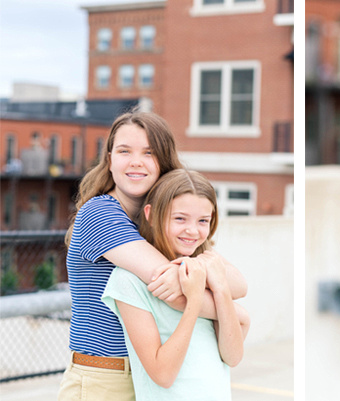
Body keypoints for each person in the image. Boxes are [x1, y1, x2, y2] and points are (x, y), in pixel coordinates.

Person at [59, 111, 247, 401]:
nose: (136, 161)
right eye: (124, 151)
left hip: (151, 380)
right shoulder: (101, 214)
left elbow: (237, 284)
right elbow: (172, 287)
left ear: (164, 162)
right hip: (107, 378)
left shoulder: (166, 221)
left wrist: (206, 275)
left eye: (148, 153)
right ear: (109, 160)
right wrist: (233, 313)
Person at [102, 169, 249, 400]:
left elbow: (233, 357)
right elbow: (163, 375)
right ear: (151, 214)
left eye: (203, 221)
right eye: (180, 218)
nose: (192, 230)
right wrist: (193, 301)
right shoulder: (128, 281)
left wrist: (220, 288)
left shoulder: (207, 272)